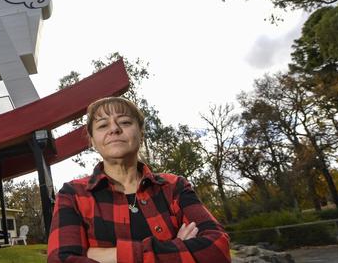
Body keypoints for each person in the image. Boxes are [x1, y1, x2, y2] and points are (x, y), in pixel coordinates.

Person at [47, 97, 230, 263]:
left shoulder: (174, 187)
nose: (114, 129)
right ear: (93, 141)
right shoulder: (73, 195)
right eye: (103, 125)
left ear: (141, 133)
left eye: (125, 122)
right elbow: (61, 260)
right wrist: (176, 247)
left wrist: (113, 256)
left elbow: (217, 250)